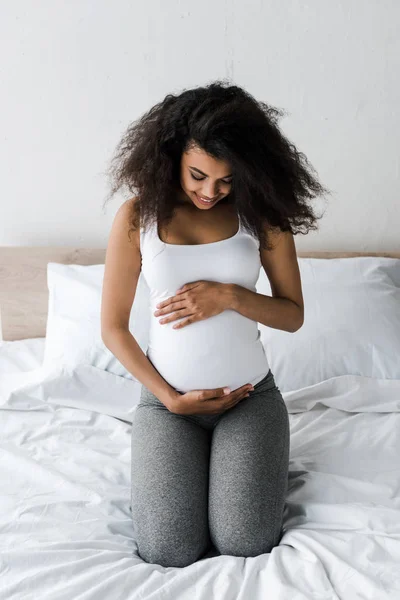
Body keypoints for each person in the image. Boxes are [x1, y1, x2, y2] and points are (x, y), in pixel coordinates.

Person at [101, 80, 330, 568]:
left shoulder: (262, 215)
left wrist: (229, 296)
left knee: (244, 543)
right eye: (198, 175)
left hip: (249, 401)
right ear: (172, 157)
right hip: (167, 406)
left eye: (226, 180)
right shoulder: (136, 217)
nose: (211, 192)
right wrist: (169, 399)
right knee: (167, 548)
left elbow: (292, 315)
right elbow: (113, 328)